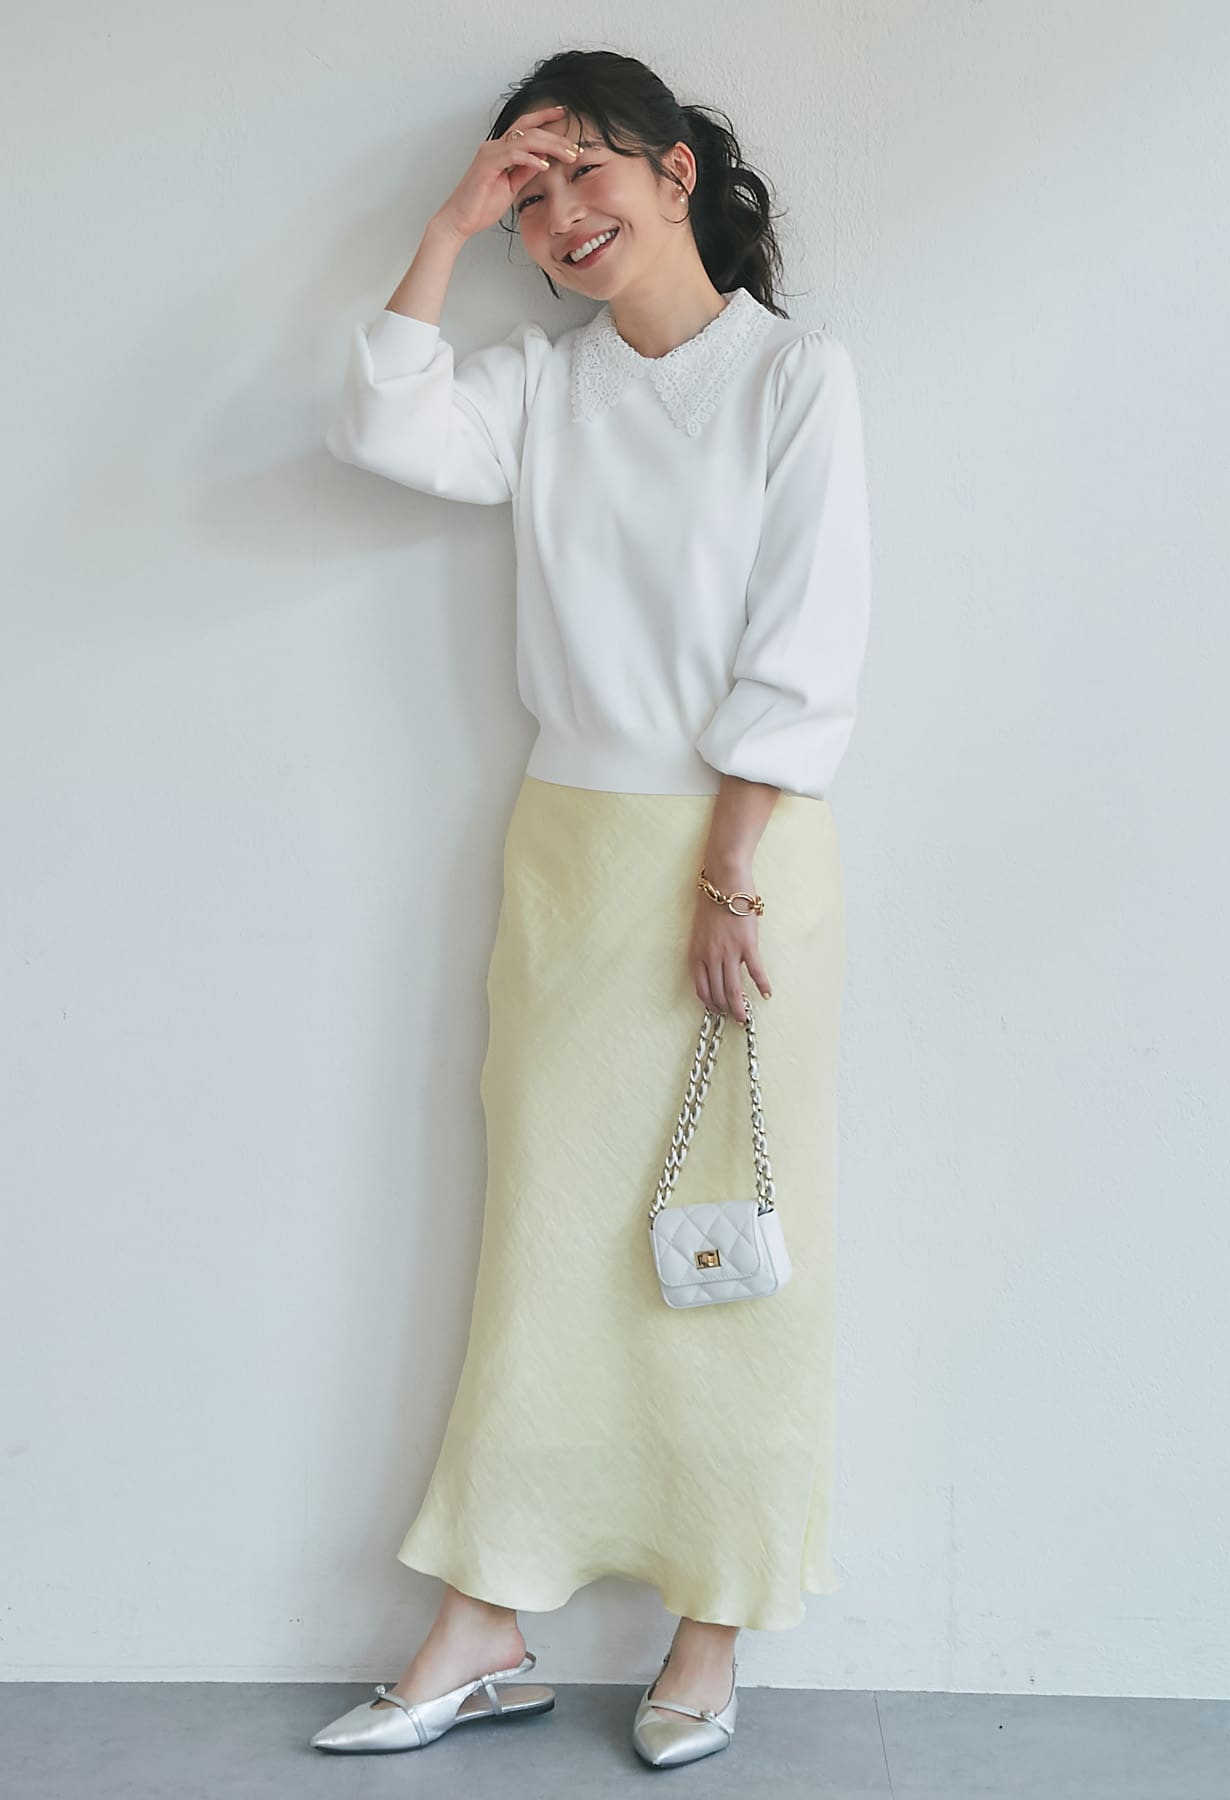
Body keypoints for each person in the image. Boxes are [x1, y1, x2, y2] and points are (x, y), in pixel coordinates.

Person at [310, 47, 871, 1770]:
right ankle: (487, 1617)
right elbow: (382, 427)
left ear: (676, 171)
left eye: (586, 174)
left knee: (736, 1243)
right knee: (549, 1243)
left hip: (739, 861)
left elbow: (810, 635)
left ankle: (714, 1621)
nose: (560, 216)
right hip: (568, 855)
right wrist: (447, 223)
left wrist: (728, 872)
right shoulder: (543, 390)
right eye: (531, 193)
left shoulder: (795, 379)